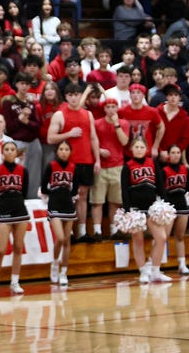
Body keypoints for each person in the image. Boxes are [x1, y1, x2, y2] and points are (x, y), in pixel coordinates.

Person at [48, 83, 101, 242]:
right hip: (68, 162)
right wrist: (69, 134)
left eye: (76, 94)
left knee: (83, 195)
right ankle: (69, 232)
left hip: (86, 160)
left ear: (80, 95)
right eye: (70, 95)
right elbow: (50, 138)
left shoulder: (88, 114)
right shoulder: (60, 114)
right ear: (66, 97)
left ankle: (82, 232)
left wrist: (97, 160)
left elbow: (93, 138)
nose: (73, 98)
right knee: (68, 196)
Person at [121, 137, 170, 283]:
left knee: (161, 237)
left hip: (152, 208)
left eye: (142, 147)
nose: (139, 150)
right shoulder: (127, 166)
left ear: (147, 149)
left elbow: (160, 185)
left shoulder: (153, 163)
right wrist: (127, 211)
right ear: (132, 149)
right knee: (138, 240)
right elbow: (124, 190)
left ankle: (155, 271)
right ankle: (143, 271)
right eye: (136, 147)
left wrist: (164, 203)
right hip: (136, 209)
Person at [0, 141, 29, 295]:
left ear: (16, 153)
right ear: (2, 153)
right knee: (1, 250)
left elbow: (24, 192)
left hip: (20, 211)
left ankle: (15, 282)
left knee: (18, 247)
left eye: (12, 149)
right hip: (3, 212)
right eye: (7, 149)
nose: (9, 152)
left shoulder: (23, 170)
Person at [90, 98, 130, 240]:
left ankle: (115, 230)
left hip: (117, 166)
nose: (111, 109)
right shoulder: (97, 123)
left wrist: (117, 124)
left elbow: (124, 142)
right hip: (101, 166)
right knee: (97, 201)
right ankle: (97, 231)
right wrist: (99, 151)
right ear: (104, 108)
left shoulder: (124, 123)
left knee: (115, 201)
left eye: (113, 106)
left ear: (117, 108)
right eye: (108, 107)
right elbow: (91, 141)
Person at [41, 141, 79, 286]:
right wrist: (56, 191)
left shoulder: (74, 167)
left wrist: (66, 192)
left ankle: (64, 272)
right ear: (57, 151)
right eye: (61, 149)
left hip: (68, 205)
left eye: (66, 149)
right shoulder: (51, 166)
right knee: (61, 238)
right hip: (55, 205)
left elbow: (75, 190)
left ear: (70, 152)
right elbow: (44, 187)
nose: (64, 152)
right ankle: (55, 263)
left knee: (67, 240)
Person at [161, 144, 189, 274]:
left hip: (182, 205)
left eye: (178, 152)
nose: (176, 155)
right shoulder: (164, 170)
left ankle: (182, 264)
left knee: (180, 236)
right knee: (164, 236)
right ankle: (156, 265)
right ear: (168, 155)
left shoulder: (185, 169)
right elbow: (161, 189)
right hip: (169, 206)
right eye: (173, 152)